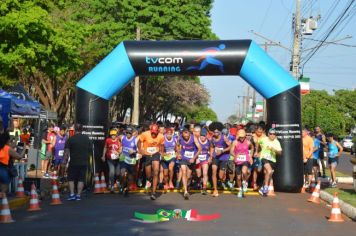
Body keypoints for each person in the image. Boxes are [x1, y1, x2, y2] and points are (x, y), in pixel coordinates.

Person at [64, 124, 92, 201]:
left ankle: (72, 194)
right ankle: (78, 195)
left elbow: (66, 152)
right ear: (82, 129)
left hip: (73, 162)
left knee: (71, 179)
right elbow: (90, 150)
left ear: (75, 130)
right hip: (84, 162)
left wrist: (65, 161)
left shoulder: (71, 139)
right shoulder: (87, 139)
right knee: (81, 179)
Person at [138, 124, 164, 200]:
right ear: (150, 130)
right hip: (147, 154)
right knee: (149, 175)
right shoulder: (145, 134)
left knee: (156, 172)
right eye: (152, 132)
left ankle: (153, 192)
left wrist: (161, 152)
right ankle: (149, 180)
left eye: (155, 132)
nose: (153, 134)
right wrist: (140, 150)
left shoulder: (161, 136)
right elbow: (139, 142)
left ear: (157, 131)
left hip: (156, 153)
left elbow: (162, 145)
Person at [177, 126, 201, 199]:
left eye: (187, 135)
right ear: (182, 133)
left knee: (189, 176)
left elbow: (200, 149)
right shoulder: (180, 137)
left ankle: (187, 185)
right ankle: (186, 192)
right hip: (183, 157)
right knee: (183, 172)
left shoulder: (194, 138)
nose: (186, 136)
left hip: (191, 158)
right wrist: (178, 153)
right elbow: (177, 146)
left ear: (189, 134)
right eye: (184, 135)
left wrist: (194, 158)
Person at [257, 128, 282, 196]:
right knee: (269, 171)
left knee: (267, 173)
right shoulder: (264, 139)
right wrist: (257, 151)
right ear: (268, 134)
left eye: (274, 134)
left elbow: (280, 153)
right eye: (271, 134)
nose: (272, 135)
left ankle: (262, 188)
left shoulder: (277, 142)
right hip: (264, 158)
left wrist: (274, 150)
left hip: (272, 160)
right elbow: (258, 142)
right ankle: (266, 187)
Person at [230, 129, 254, 198]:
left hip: (245, 159)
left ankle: (245, 182)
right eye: (240, 137)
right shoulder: (235, 142)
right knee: (238, 177)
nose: (241, 138)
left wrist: (250, 156)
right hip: (237, 161)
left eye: (243, 137)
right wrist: (235, 155)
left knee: (244, 171)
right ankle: (240, 190)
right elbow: (231, 151)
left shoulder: (248, 142)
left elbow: (252, 148)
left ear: (245, 136)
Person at [210, 122, 231, 197]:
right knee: (213, 171)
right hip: (216, 157)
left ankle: (224, 176)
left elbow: (230, 146)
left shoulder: (224, 137)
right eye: (214, 131)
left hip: (224, 157)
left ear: (219, 131)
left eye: (217, 131)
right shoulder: (212, 138)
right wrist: (211, 156)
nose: (215, 133)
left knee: (220, 176)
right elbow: (212, 147)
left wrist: (222, 151)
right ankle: (215, 190)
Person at [102, 128, 122, 193]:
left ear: (116, 135)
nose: (113, 136)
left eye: (114, 135)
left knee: (118, 172)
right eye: (112, 135)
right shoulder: (108, 140)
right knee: (112, 171)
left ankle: (117, 181)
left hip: (117, 159)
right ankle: (112, 186)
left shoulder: (118, 141)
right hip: (110, 159)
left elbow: (121, 149)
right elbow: (105, 147)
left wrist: (118, 152)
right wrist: (103, 156)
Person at [120, 126, 139, 195]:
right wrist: (119, 150)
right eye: (127, 132)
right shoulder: (122, 138)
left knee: (130, 176)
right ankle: (122, 186)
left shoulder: (135, 140)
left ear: (132, 133)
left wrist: (134, 151)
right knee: (122, 173)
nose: (128, 134)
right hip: (123, 157)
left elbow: (139, 150)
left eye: (129, 133)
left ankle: (127, 188)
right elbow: (119, 145)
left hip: (131, 159)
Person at [197, 128, 212, 195]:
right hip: (198, 159)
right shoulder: (197, 141)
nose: (202, 137)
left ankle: (204, 187)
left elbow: (211, 149)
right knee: (198, 174)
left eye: (204, 136)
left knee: (205, 173)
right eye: (201, 136)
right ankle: (200, 182)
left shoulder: (209, 141)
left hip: (205, 158)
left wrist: (210, 157)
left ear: (206, 136)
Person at [251, 125, 266, 191]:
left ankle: (263, 183)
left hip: (262, 154)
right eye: (258, 132)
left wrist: (260, 154)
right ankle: (254, 183)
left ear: (263, 131)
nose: (259, 133)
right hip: (254, 154)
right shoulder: (252, 136)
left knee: (261, 170)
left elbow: (265, 148)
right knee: (255, 169)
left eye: (261, 132)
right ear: (255, 131)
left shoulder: (265, 137)